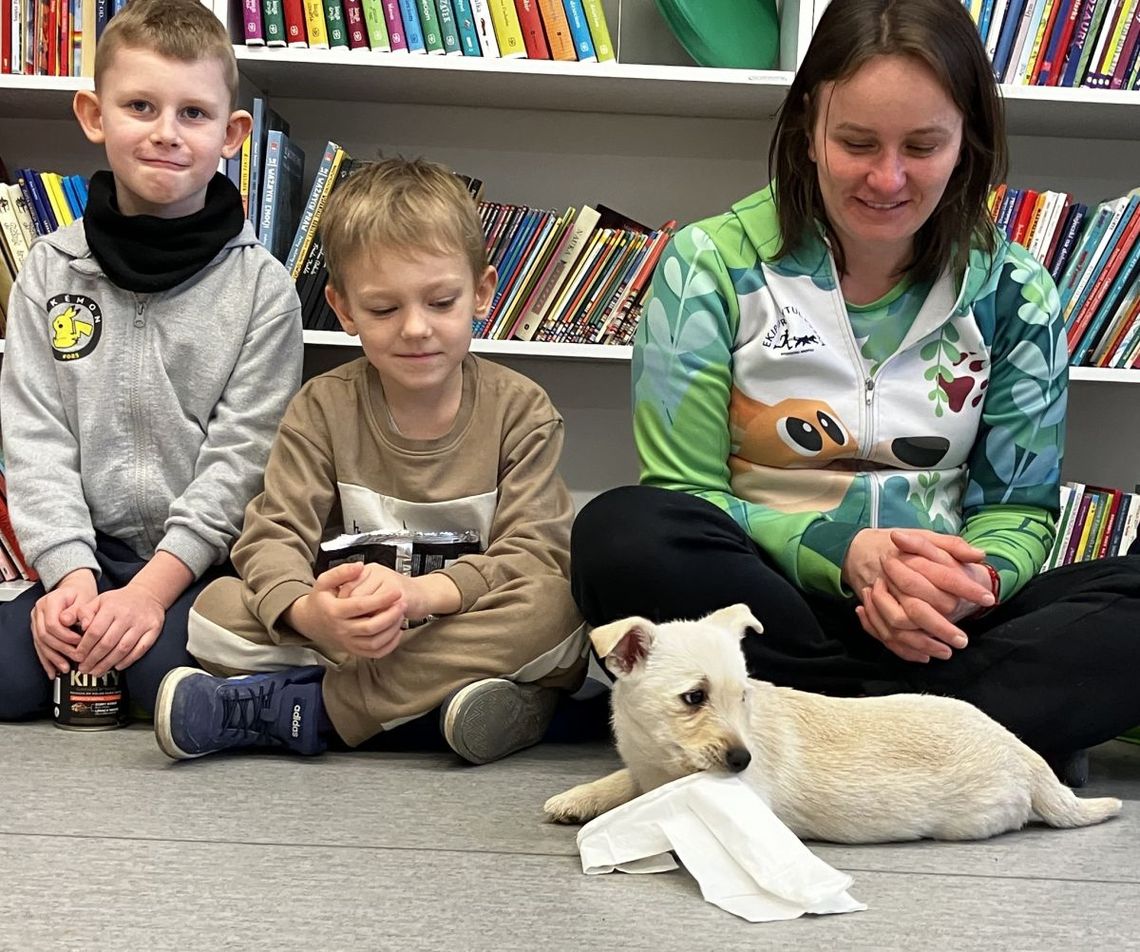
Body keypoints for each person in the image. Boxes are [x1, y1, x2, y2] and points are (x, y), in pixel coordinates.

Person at [570, 0, 1140, 785]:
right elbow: (689, 498)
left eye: (923, 145)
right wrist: (847, 558)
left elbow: (1019, 507)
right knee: (623, 531)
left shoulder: (1018, 290)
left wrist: (965, 586)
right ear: (808, 127)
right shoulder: (707, 265)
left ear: (966, 139)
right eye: (856, 142)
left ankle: (841, 724)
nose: (888, 178)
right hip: (769, 612)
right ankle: (956, 733)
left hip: (946, 626)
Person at [152, 157, 587, 765]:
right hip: (355, 639)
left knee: (556, 612)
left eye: (441, 302)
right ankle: (457, 706)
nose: (415, 328)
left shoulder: (522, 410)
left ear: (482, 292)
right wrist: (310, 612)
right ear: (344, 307)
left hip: (450, 620)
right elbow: (270, 536)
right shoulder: (322, 406)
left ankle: (312, 711)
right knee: (213, 612)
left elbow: (534, 555)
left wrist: (422, 597)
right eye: (383, 309)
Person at [0, 0, 303, 720]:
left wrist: (150, 592)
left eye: (193, 114)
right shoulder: (49, 270)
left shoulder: (263, 288)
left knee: (153, 675)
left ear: (232, 135)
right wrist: (68, 577)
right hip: (87, 550)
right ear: (95, 114)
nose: (166, 133)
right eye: (140, 105)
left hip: (200, 563)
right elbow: (35, 438)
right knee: (12, 679)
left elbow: (244, 459)